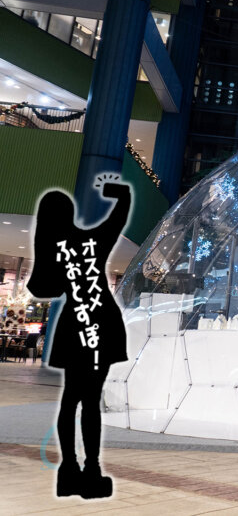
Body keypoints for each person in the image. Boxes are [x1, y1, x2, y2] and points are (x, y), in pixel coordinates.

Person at [26, 176, 131, 499]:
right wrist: (117, 192)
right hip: (102, 323)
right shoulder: (93, 241)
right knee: (91, 400)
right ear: (70, 213)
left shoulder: (53, 251)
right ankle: (92, 470)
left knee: (70, 398)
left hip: (74, 327)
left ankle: (68, 470)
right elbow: (119, 213)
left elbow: (43, 288)